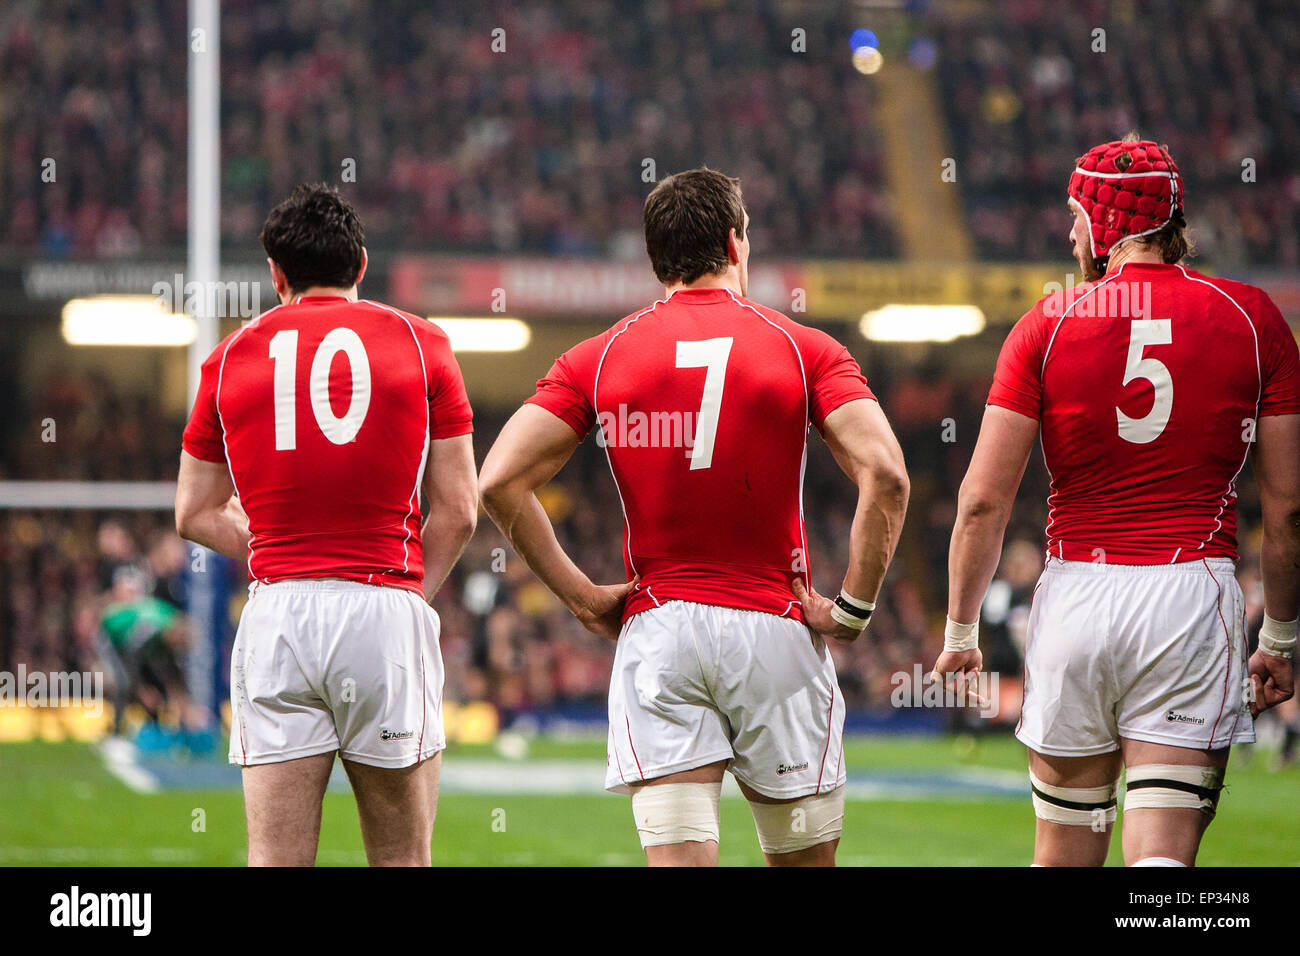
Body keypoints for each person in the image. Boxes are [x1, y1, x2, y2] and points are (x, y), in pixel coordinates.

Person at [479, 168, 909, 867]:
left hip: (662, 634)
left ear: (656, 260)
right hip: (775, 630)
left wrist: (583, 597)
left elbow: (498, 481)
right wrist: (853, 610)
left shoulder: (600, 355)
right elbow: (886, 474)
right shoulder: (804, 348)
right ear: (737, 243)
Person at [933, 137, 1300, 866]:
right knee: (1161, 859)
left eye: (1075, 216)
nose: (1071, 236)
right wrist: (1281, 640)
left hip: (1076, 595)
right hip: (1190, 597)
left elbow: (981, 503)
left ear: (1105, 220)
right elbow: (1289, 511)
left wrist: (960, 631)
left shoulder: (1046, 323)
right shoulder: (1254, 317)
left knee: (1063, 855)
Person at [175, 184, 478, 866]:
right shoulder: (424, 343)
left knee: (276, 858)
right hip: (383, 608)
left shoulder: (228, 358)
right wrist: (406, 592)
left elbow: (192, 512)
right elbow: (460, 509)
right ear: (362, 263)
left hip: (279, 614)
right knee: (402, 858)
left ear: (276, 274)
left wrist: (283, 552)